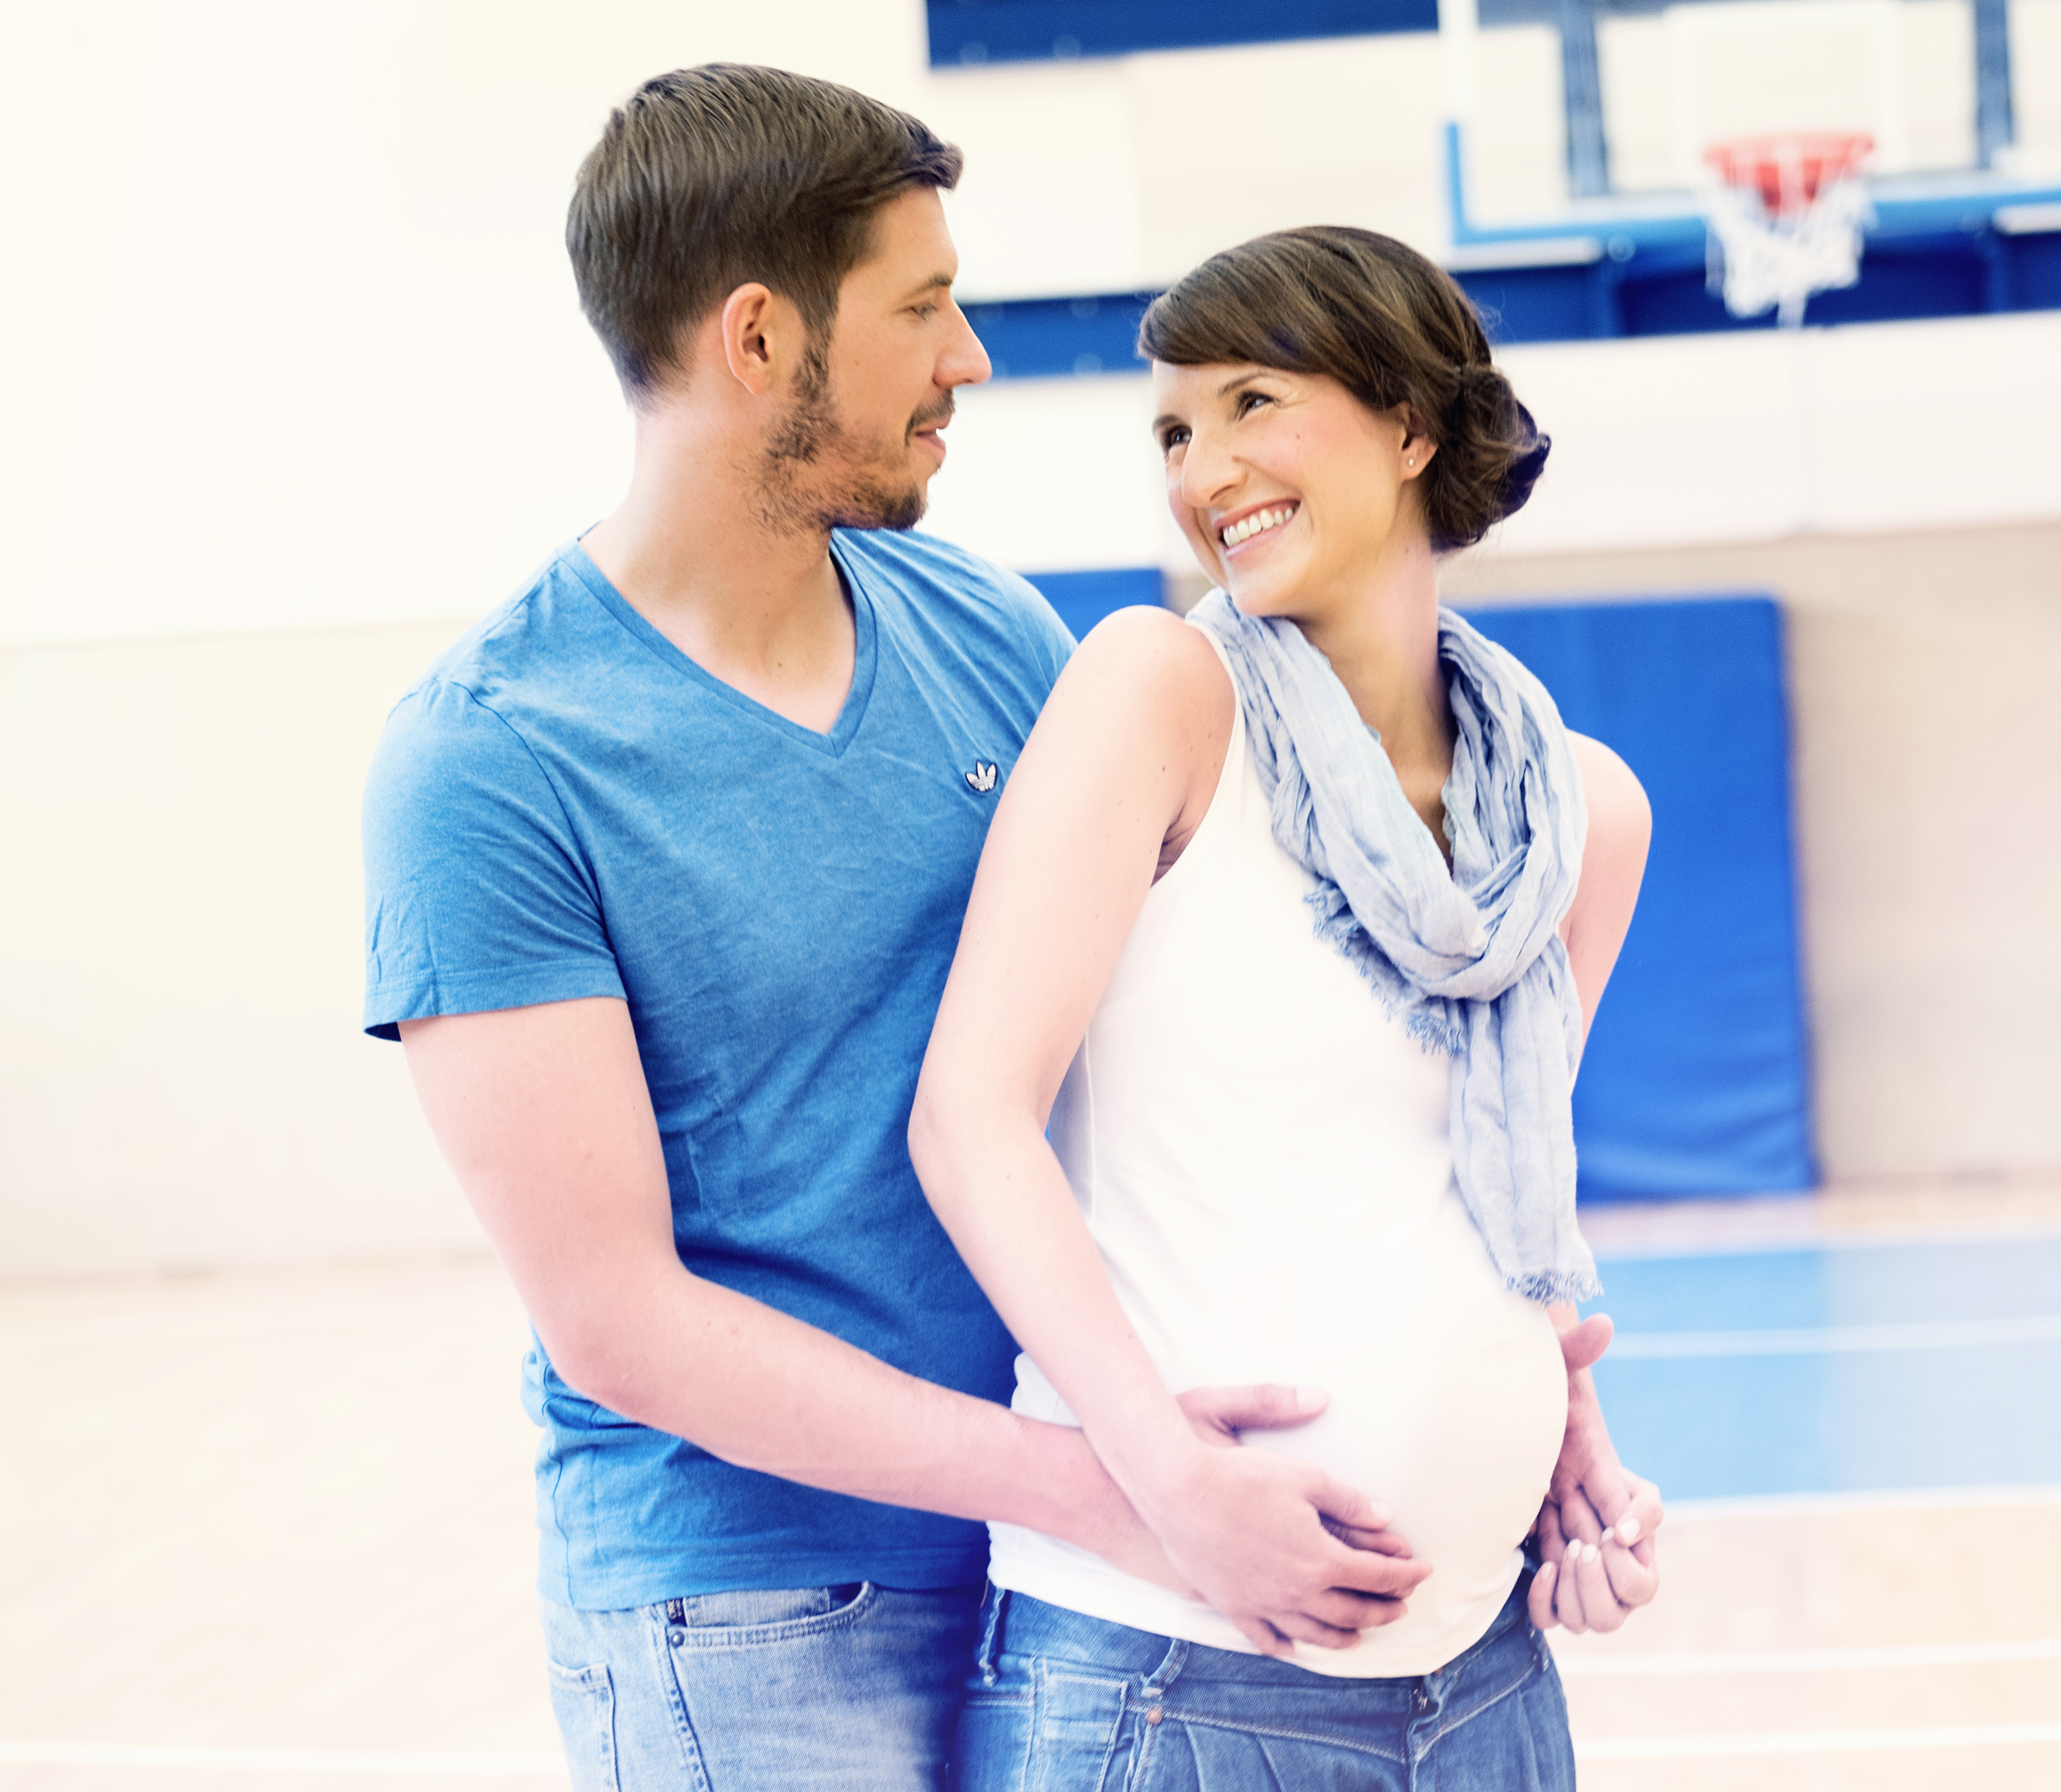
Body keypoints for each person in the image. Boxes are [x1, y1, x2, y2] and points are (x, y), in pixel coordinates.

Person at [359, 69, 1428, 1792]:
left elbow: (1187, 1048)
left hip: (1073, 1560)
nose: (970, 359)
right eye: (924, 309)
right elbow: (617, 1322)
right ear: (763, 340)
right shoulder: (489, 762)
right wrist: (1121, 1483)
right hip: (759, 1606)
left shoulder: (989, 628)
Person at [908, 225, 1662, 1791]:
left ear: (1410, 424)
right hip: (1169, 1670)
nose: (1204, 470)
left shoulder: (1582, 818)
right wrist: (1169, 1482)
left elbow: (1483, 1209)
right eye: (1176, 431)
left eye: (1255, 402)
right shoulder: (1158, 692)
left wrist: (1564, 1431)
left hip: (1488, 1668)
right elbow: (969, 1123)